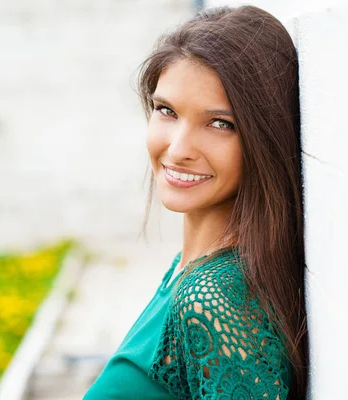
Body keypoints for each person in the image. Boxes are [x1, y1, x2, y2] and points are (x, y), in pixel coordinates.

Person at [84, 5, 307, 399]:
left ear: (265, 137)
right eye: (166, 110)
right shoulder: (190, 268)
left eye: (220, 123)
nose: (179, 148)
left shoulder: (214, 296)